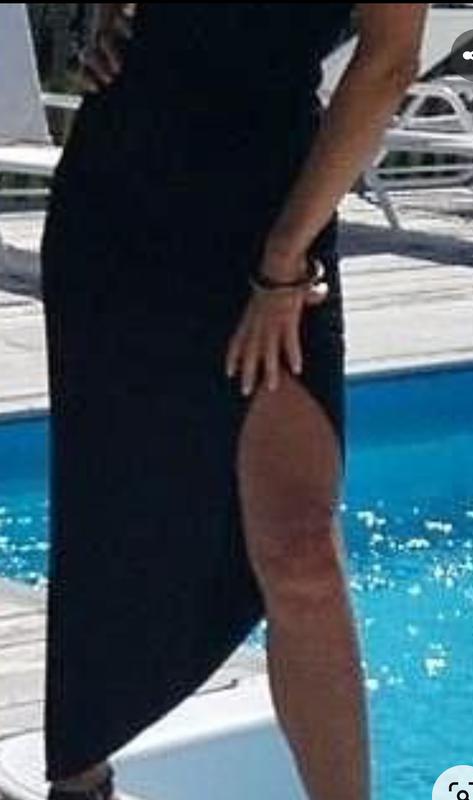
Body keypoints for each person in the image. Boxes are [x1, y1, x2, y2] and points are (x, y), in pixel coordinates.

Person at [42, 4, 428, 800]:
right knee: (107, 497)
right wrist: (96, 19)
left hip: (273, 207)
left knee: (299, 549)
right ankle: (79, 778)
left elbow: (389, 63)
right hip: (118, 201)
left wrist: (284, 259)